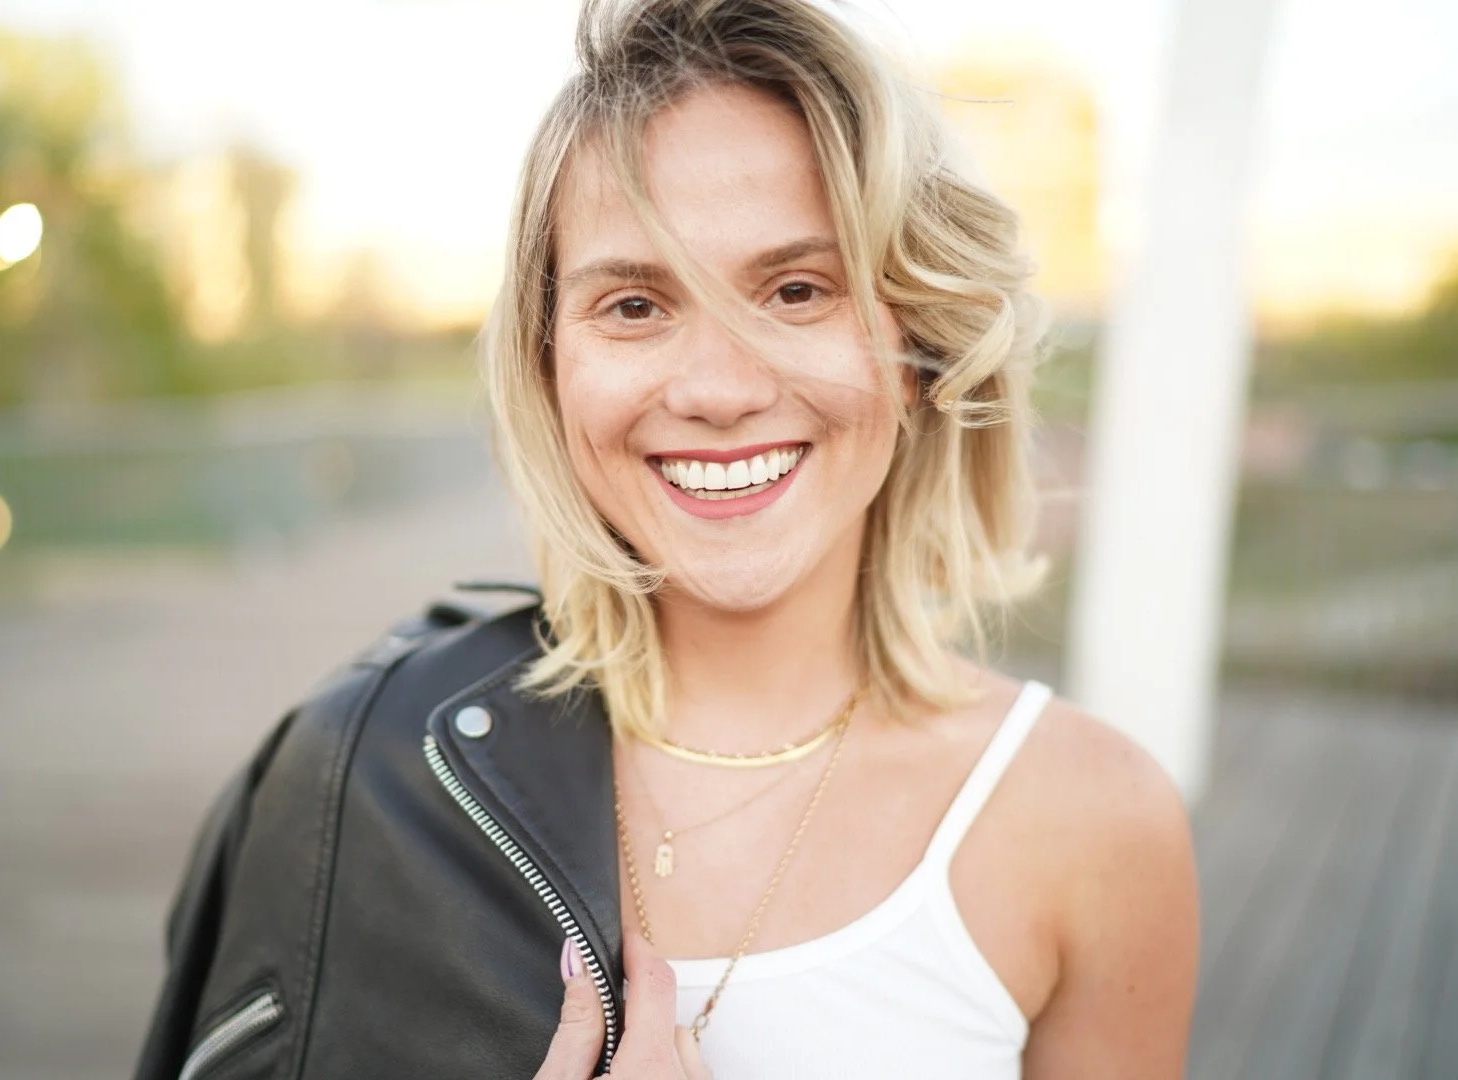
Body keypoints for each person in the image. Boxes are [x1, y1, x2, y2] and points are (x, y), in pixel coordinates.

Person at [134, 1, 1198, 1078]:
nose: (717, 390)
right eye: (635, 306)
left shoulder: (1094, 825)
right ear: (549, 367)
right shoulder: (366, 780)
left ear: (915, 343)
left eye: (795, 290)